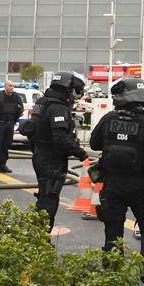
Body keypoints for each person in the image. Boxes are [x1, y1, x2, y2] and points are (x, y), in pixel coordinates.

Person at [90, 76, 144, 286]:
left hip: (113, 185)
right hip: (142, 185)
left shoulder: (109, 119)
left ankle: (112, 275)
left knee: (113, 228)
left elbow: (94, 143)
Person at [31, 71, 88, 229]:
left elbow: (32, 130)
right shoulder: (58, 108)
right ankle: (41, 239)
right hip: (51, 159)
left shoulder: (43, 102)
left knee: (44, 197)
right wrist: (81, 153)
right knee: (49, 200)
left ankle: (36, 237)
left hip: (39, 154)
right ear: (67, 90)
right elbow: (60, 138)